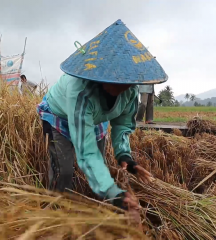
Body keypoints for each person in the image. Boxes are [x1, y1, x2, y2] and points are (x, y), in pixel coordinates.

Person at [37, 20, 168, 212]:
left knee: (102, 167)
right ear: (100, 75)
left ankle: (98, 210)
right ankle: (56, 214)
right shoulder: (81, 91)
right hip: (60, 117)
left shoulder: (129, 91)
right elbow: (86, 151)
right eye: (115, 79)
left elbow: (122, 124)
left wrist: (126, 157)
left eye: (127, 82)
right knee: (64, 171)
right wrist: (116, 195)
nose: (122, 87)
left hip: (96, 116)